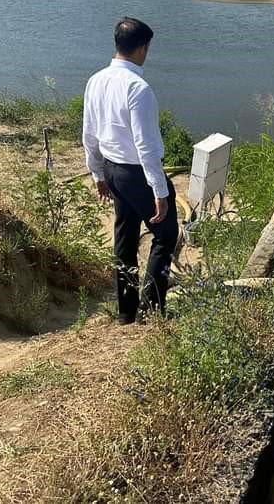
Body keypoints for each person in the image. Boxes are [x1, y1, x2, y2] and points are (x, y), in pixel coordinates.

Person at [82, 17, 178, 323]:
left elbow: (89, 133)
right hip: (137, 174)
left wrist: (97, 174)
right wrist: (160, 191)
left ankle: (126, 312)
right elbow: (146, 146)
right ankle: (151, 313)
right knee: (164, 236)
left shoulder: (96, 80)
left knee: (125, 237)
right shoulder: (138, 88)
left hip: (112, 170)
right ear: (143, 47)